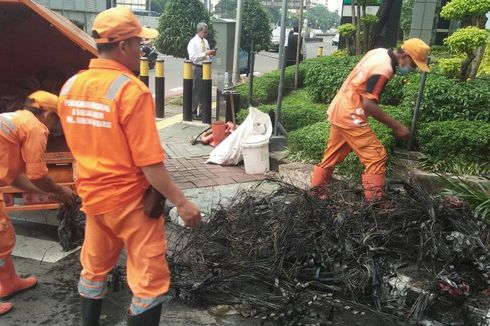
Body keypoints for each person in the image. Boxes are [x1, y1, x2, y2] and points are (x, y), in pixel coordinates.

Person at [57, 6, 202, 326]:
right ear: (123, 46)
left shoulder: (70, 87)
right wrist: (182, 202)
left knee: (94, 269)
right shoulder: (131, 91)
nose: (142, 50)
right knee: (150, 282)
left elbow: (76, 143)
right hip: (131, 203)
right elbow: (150, 164)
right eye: (138, 43)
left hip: (94, 199)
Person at [311, 38, 430, 201]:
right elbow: (368, 104)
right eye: (414, 64)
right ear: (406, 56)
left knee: (332, 156)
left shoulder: (378, 52)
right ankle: (375, 205)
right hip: (351, 114)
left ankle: (316, 194)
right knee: (376, 156)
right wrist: (397, 126)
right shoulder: (384, 69)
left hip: (340, 108)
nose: (413, 68)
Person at [0, 91, 75, 316]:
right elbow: (37, 174)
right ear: (49, 113)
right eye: (57, 119)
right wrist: (59, 189)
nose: (56, 126)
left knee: (3, 235)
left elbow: (15, 177)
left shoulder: (14, 120)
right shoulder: (35, 128)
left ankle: (9, 282)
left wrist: (48, 193)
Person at [187, 22, 216, 120]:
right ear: (199, 31)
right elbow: (193, 57)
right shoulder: (193, 42)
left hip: (206, 67)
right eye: (205, 32)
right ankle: (193, 111)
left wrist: (211, 54)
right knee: (196, 90)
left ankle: (202, 112)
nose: (206, 34)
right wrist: (205, 53)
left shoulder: (206, 41)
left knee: (205, 90)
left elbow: (207, 54)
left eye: (207, 32)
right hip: (197, 67)